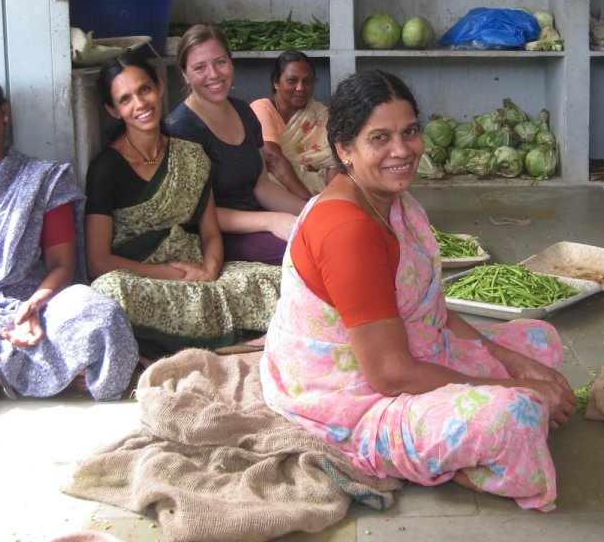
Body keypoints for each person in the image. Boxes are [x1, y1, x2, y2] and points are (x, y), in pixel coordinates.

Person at [260, 70, 577, 512]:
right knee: (516, 413)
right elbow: (389, 374)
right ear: (345, 150)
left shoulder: (395, 202)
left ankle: (477, 438)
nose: (403, 151)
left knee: (539, 343)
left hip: (410, 354)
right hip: (354, 400)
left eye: (409, 132)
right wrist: (509, 389)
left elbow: (432, 311)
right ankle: (452, 467)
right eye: (380, 138)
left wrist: (510, 360)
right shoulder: (347, 230)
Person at [0, 70, 138, 401]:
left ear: (3, 112)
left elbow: (62, 264)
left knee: (101, 315)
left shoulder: (42, 179)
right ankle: (28, 375)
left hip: (28, 307)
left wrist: (34, 306)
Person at [85, 55, 281, 356]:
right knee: (110, 293)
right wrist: (172, 275)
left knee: (276, 279)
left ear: (160, 87)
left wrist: (211, 269)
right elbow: (98, 262)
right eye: (126, 99)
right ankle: (238, 341)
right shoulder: (106, 167)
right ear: (113, 110)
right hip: (144, 277)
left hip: (198, 268)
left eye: (144, 90)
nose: (140, 104)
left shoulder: (191, 155)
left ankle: (199, 345)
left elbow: (211, 232)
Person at [165, 25, 307, 266]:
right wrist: (273, 221)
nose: (213, 74)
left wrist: (309, 211)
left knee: (325, 228)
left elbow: (262, 187)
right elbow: (200, 215)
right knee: (308, 250)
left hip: (256, 222)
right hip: (215, 236)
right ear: (185, 75)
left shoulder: (243, 111)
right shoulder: (181, 128)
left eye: (220, 62)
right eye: (200, 67)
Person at [250, 51, 338, 198]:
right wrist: (307, 202)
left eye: (308, 81)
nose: (301, 88)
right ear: (276, 82)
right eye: (292, 81)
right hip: (278, 191)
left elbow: (333, 162)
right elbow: (271, 158)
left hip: (320, 192)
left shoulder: (320, 114)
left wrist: (331, 199)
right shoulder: (262, 108)